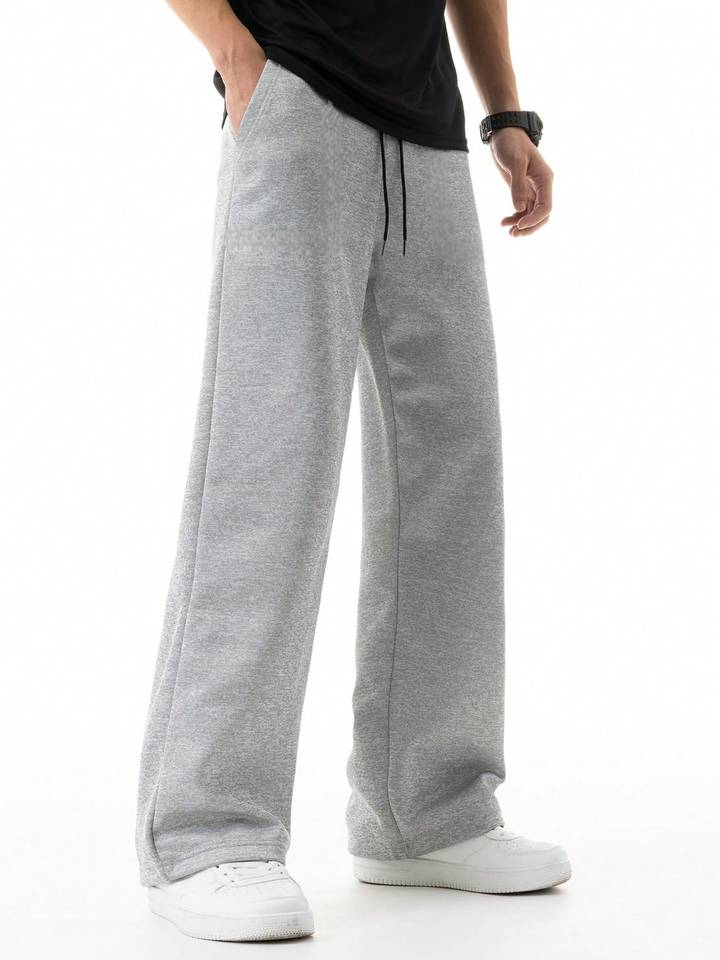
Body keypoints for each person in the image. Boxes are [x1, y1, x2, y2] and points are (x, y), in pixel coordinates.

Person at [136, 0, 569, 942]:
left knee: (453, 476)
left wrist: (504, 113)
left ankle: (427, 810)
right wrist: (237, 57)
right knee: (269, 466)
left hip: (428, 133)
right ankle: (205, 832)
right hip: (297, 94)